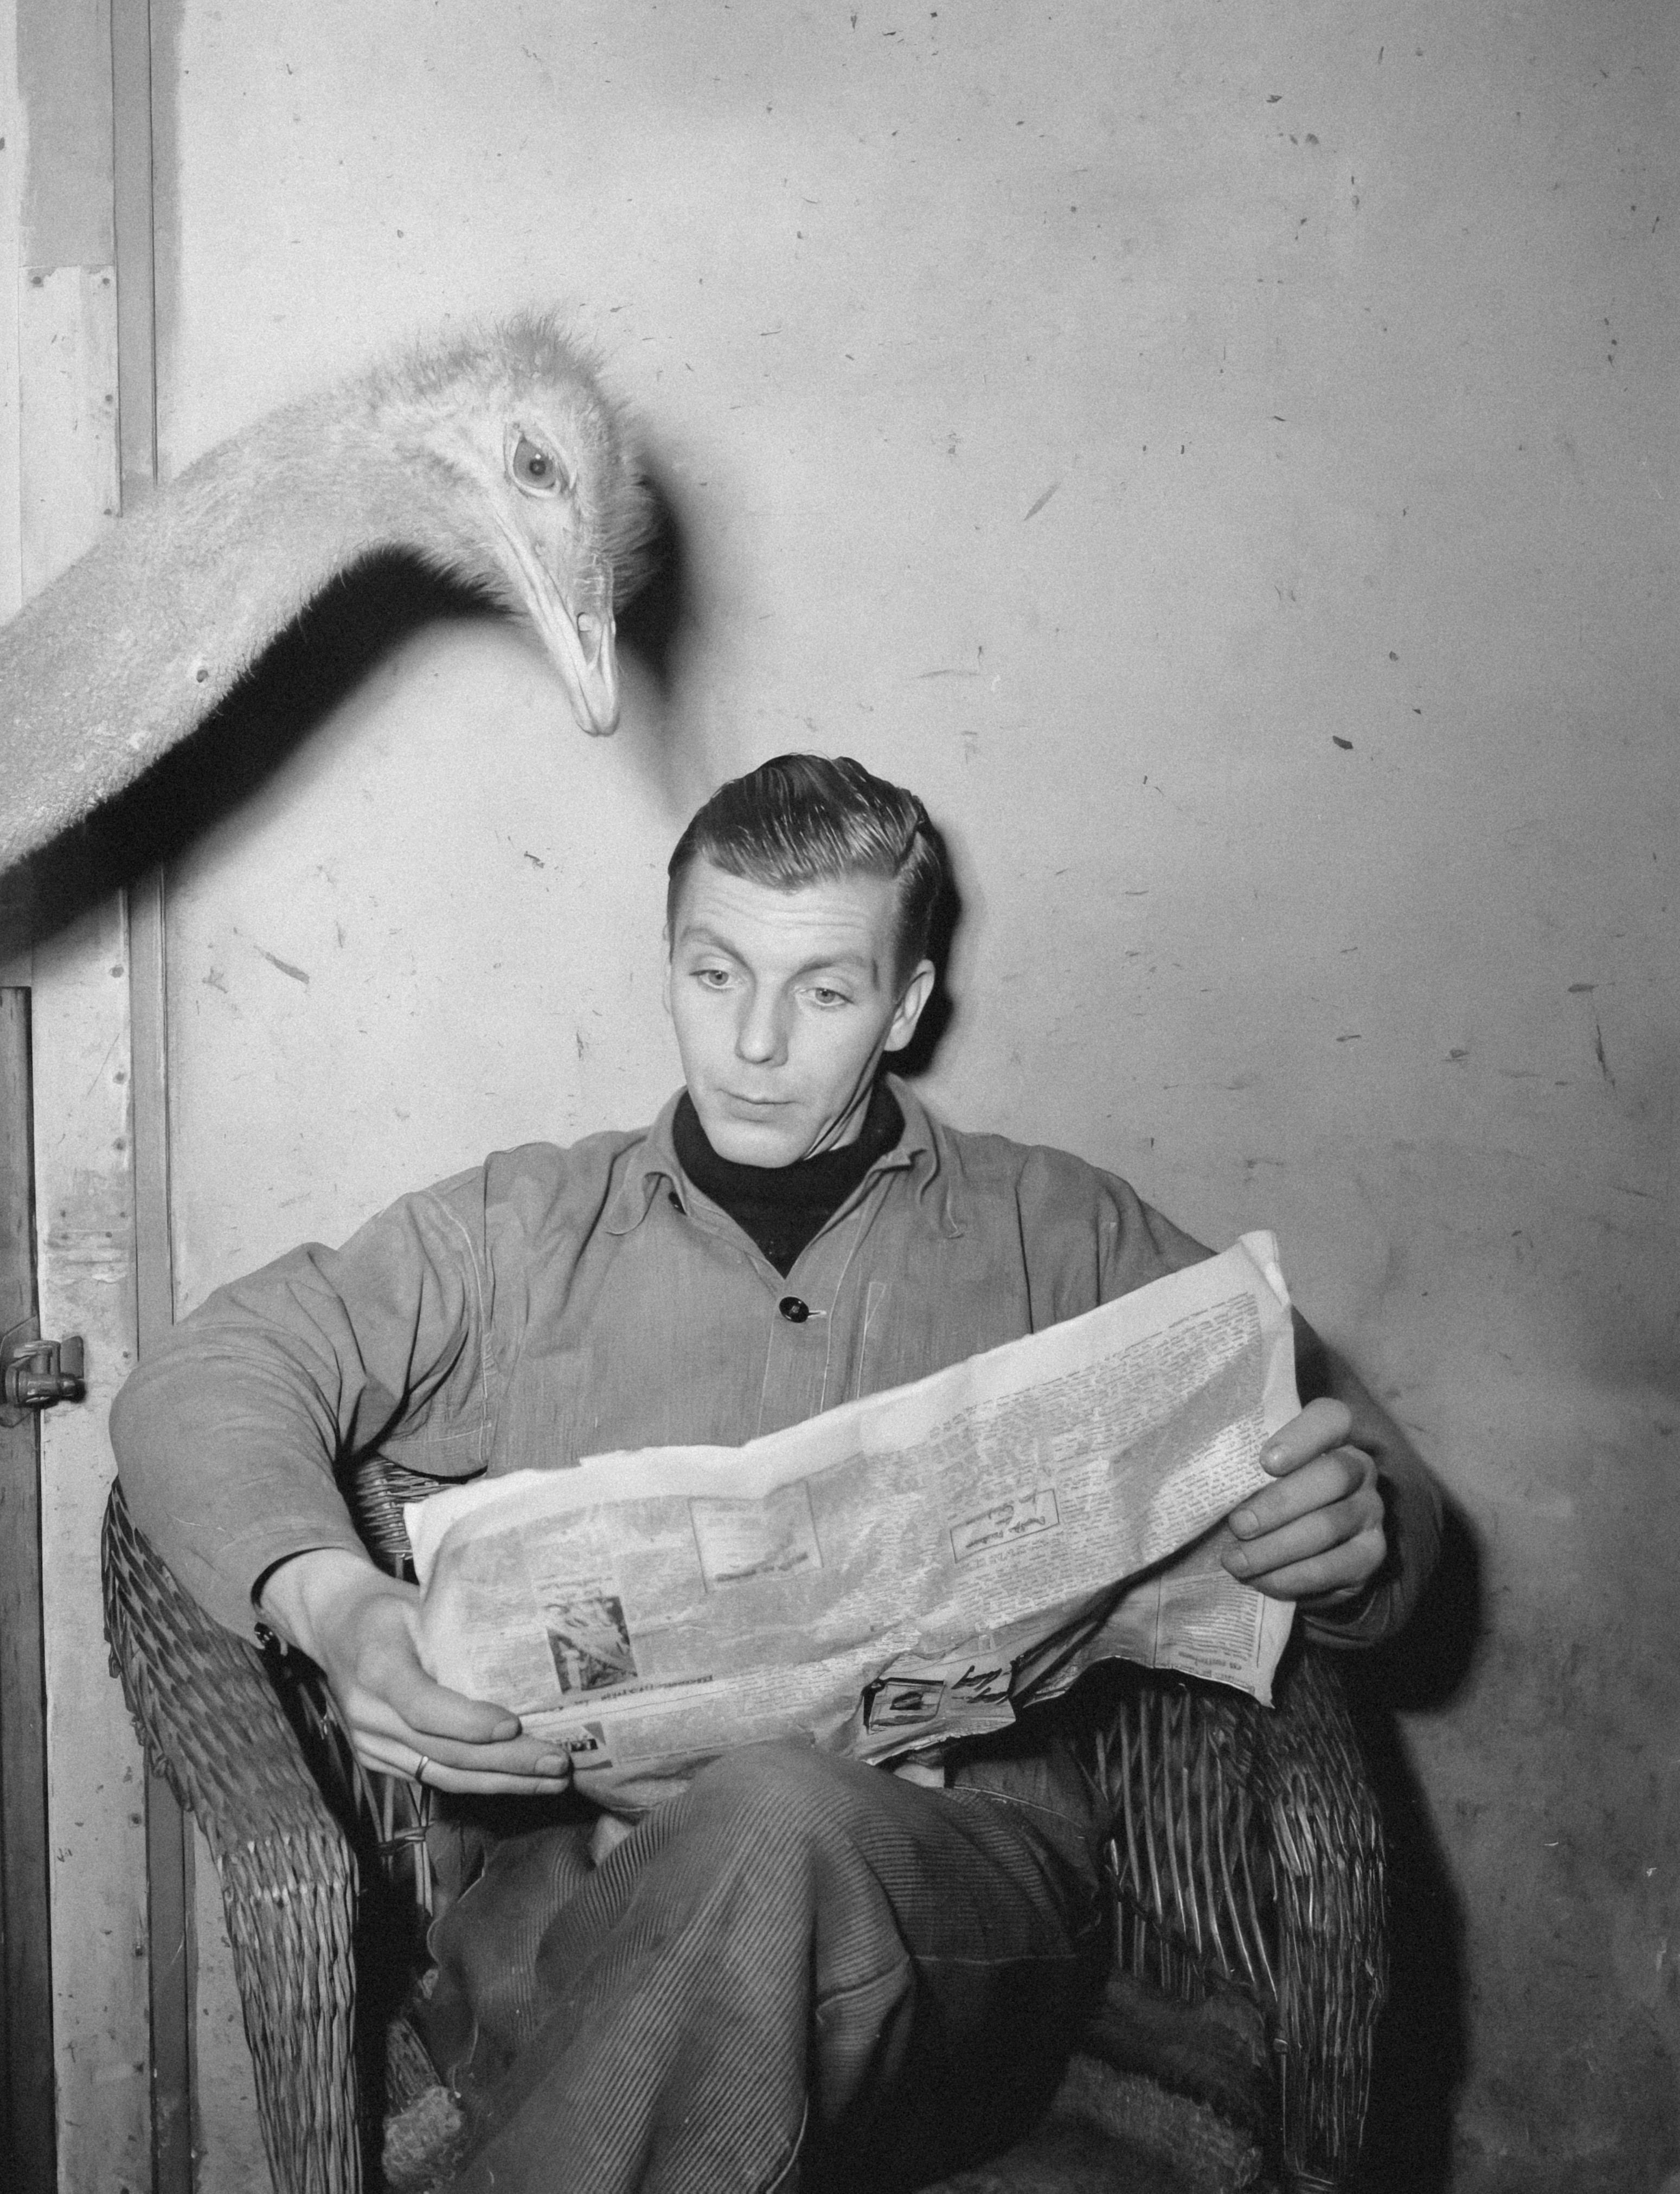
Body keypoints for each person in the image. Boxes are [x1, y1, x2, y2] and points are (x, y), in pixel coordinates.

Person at [112, 754, 1441, 2194]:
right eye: (713, 975)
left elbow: (1371, 1478)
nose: (753, 1044)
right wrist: (334, 1607)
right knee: (751, 1843)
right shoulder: (515, 1232)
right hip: (574, 1904)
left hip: (956, 1913)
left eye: (821, 993)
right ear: (667, 967)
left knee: (778, 1811)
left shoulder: (1058, 1233)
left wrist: (1354, 1533)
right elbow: (203, 1375)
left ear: (906, 1006)